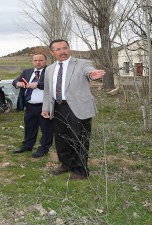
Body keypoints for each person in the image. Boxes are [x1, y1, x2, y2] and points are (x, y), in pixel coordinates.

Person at [41, 39, 105, 180]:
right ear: (52, 52)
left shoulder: (82, 63)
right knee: (61, 138)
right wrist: (46, 107)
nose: (62, 51)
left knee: (79, 138)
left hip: (78, 107)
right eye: (58, 49)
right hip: (57, 107)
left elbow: (89, 71)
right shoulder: (49, 69)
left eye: (65, 48)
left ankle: (81, 170)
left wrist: (92, 74)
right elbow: (47, 91)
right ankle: (66, 164)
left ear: (69, 49)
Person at [12, 53, 54, 158]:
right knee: (30, 127)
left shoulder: (50, 71)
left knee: (46, 128)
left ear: (46, 61)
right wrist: (18, 84)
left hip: (44, 106)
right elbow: (15, 81)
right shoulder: (27, 71)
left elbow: (54, 85)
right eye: (35, 60)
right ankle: (27, 145)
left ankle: (44, 148)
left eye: (40, 60)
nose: (38, 62)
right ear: (32, 61)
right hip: (30, 105)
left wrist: (38, 85)